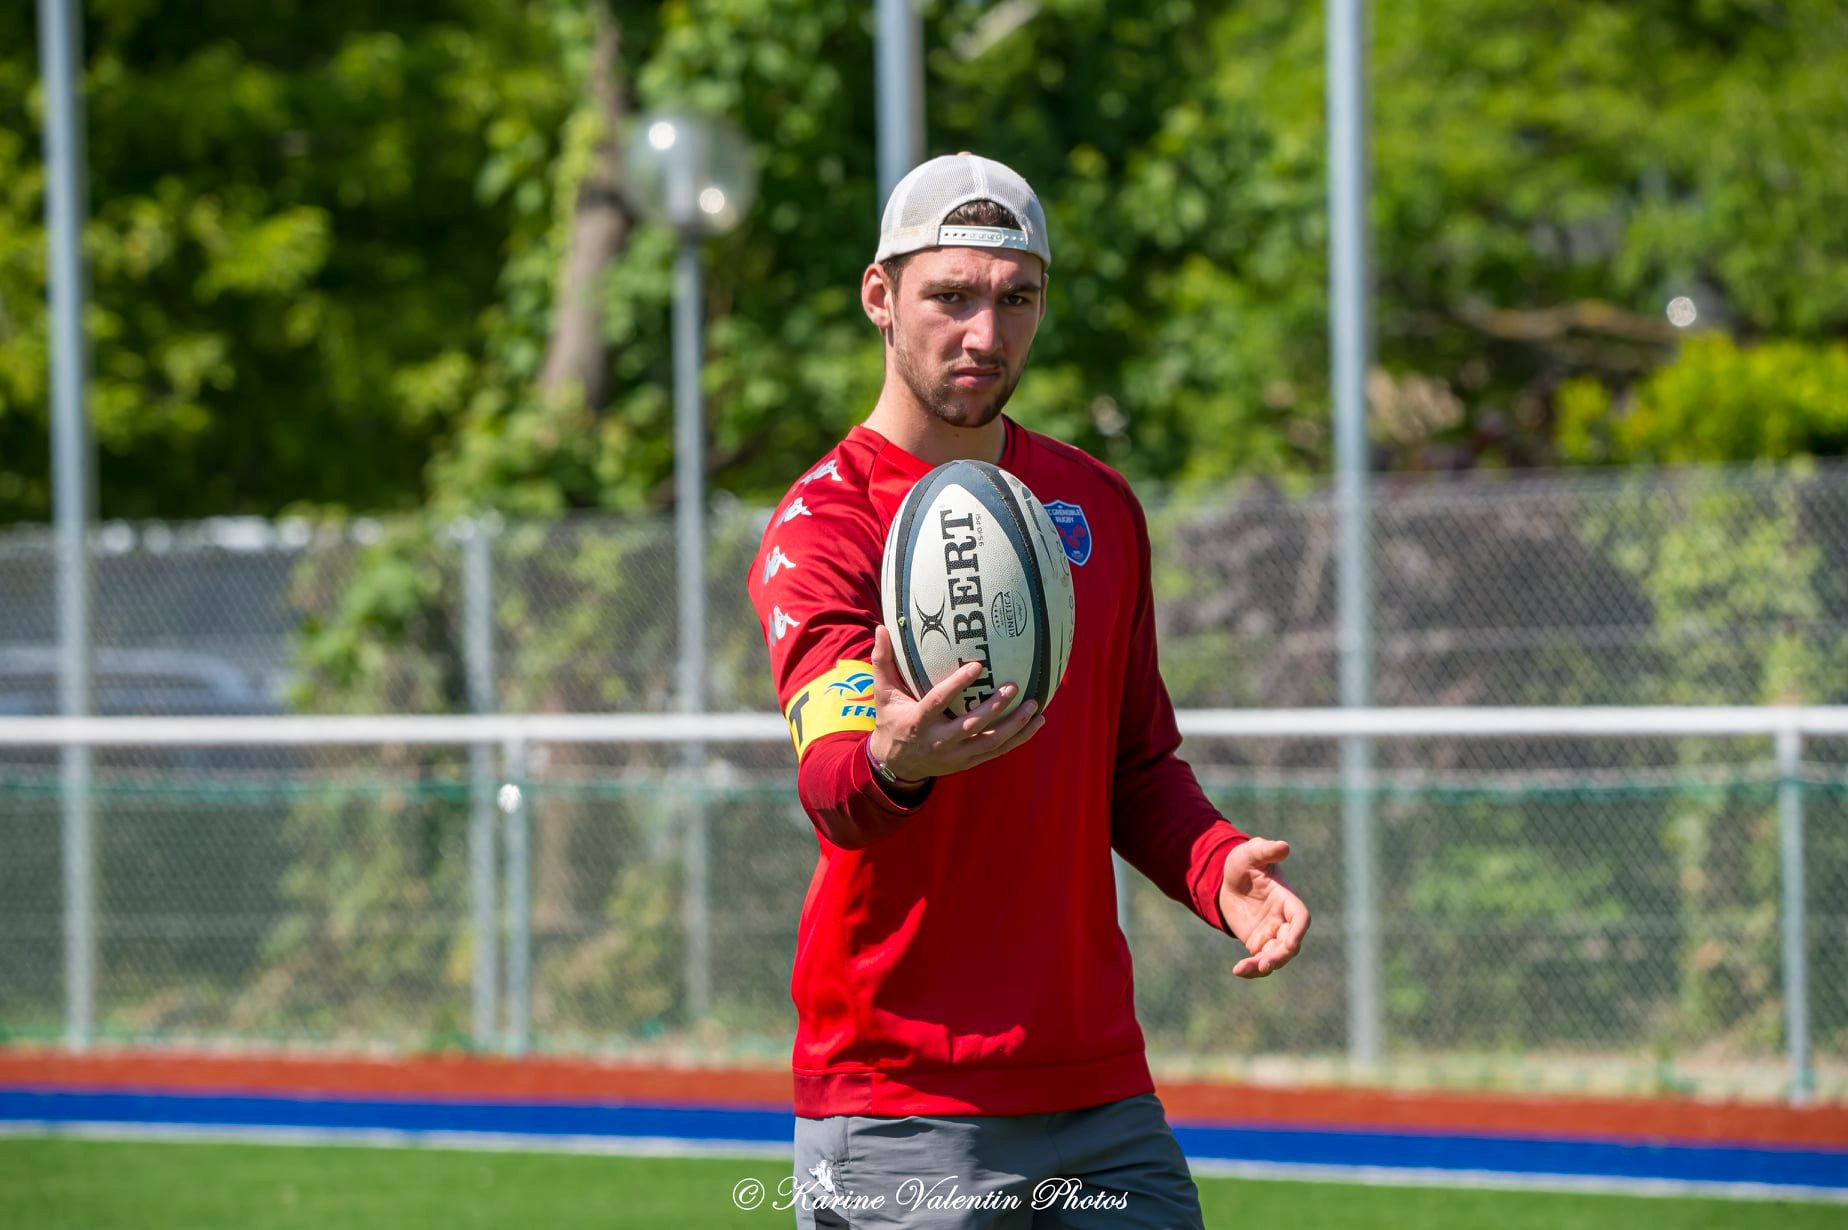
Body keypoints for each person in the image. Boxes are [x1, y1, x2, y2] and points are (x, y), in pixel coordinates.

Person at [745, 152, 1309, 1229]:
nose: (984, 334)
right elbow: (832, 786)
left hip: (1098, 1090)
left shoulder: (1094, 504)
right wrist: (891, 759)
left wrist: (1213, 864)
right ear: (880, 297)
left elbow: (1134, 764)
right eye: (949, 297)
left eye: (1016, 299)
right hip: (904, 1100)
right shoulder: (826, 524)